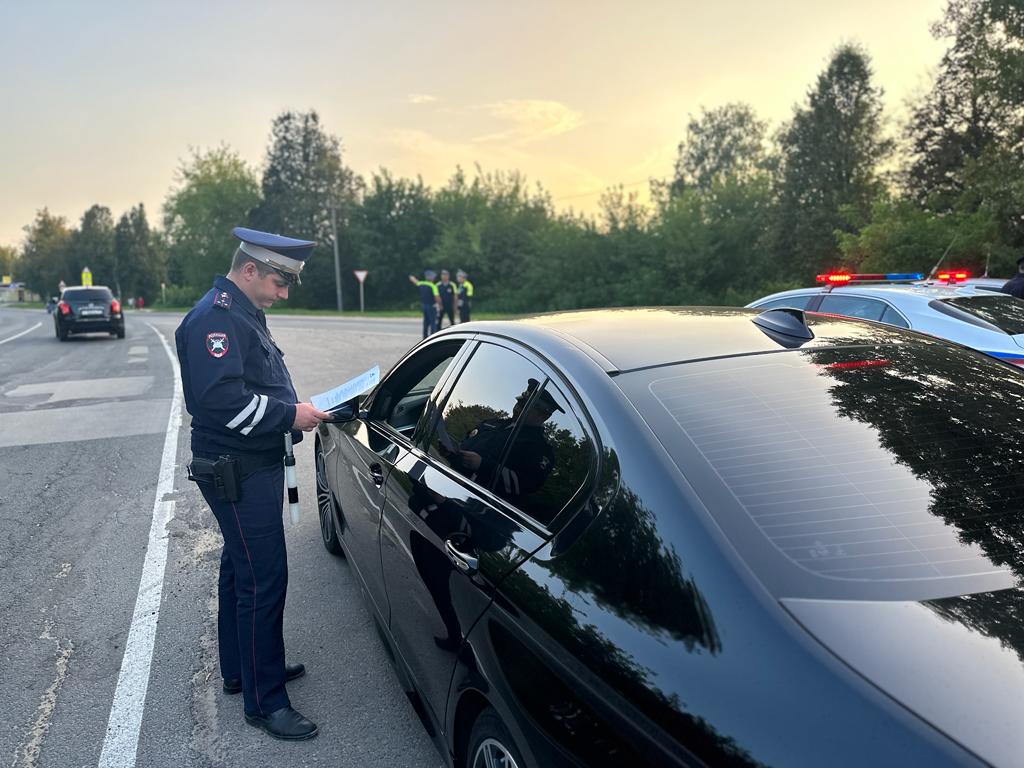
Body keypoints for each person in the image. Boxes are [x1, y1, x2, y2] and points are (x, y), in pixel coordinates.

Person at [175, 226, 331, 741]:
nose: (283, 293)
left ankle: (243, 670)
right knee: (264, 579)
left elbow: (253, 386)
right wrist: (292, 415)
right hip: (237, 471)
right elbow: (223, 402)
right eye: (279, 282)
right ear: (249, 270)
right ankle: (265, 703)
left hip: (246, 467)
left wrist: (292, 410)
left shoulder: (242, 312)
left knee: (240, 570)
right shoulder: (215, 319)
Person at [409, 269, 441, 338]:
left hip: (424, 306)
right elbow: (437, 297)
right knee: (433, 323)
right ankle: (432, 338)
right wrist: (440, 305)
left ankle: (425, 337)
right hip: (432, 306)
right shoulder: (433, 286)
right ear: (431, 277)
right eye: (433, 276)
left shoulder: (422, 283)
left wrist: (411, 277)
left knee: (426, 323)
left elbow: (415, 281)